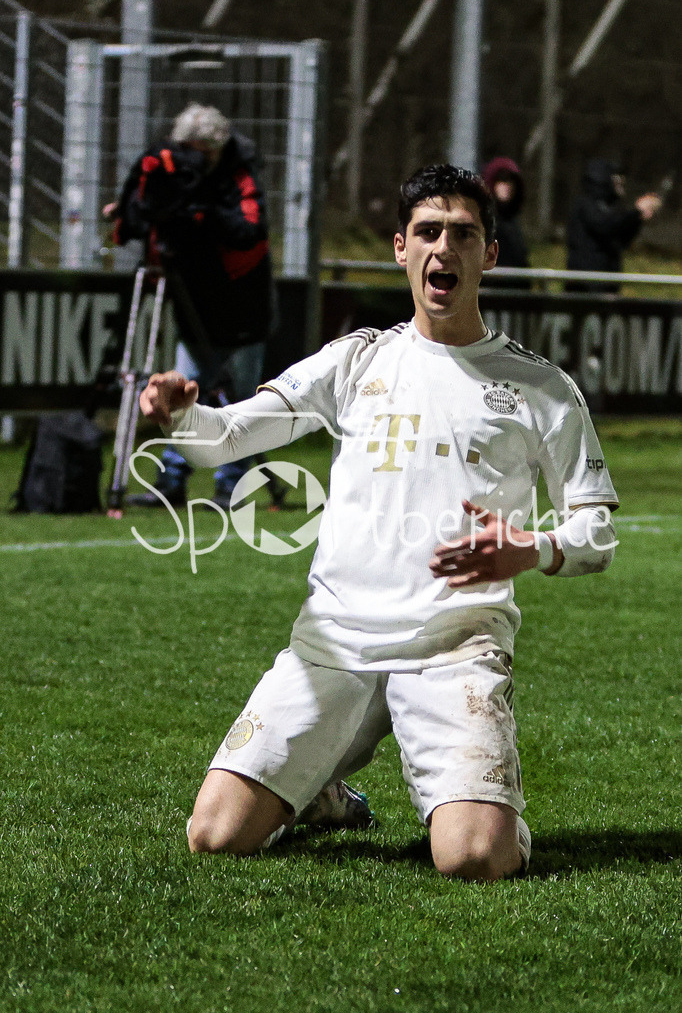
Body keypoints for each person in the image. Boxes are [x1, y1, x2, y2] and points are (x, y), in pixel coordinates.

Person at [139, 164, 619, 881]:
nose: (443, 250)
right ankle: (323, 795)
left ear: (490, 254)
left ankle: (490, 813)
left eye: (463, 234)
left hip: (454, 646)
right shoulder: (356, 360)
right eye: (427, 232)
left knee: (475, 859)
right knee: (213, 835)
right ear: (401, 247)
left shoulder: (541, 388)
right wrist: (181, 414)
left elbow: (596, 533)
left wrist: (532, 549)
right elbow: (227, 438)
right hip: (334, 643)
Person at [104, 102, 278, 509]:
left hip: (242, 306)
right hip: (194, 302)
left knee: (241, 399)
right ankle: (170, 483)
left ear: (218, 149)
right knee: (179, 392)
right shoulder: (167, 171)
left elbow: (249, 231)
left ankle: (230, 485)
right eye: (188, 150)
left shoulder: (240, 174)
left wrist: (203, 211)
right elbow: (139, 215)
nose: (193, 161)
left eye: (203, 152)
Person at [566, 159, 662, 293]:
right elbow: (604, 226)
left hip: (608, 279)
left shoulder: (612, 207)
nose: (620, 180)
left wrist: (638, 219)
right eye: (615, 176)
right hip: (586, 282)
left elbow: (621, 239)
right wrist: (636, 212)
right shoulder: (586, 203)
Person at [481, 156, 530, 288]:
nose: (507, 186)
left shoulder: (513, 222)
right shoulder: (482, 221)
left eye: (511, 181)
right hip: (491, 295)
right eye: (502, 180)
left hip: (515, 296)